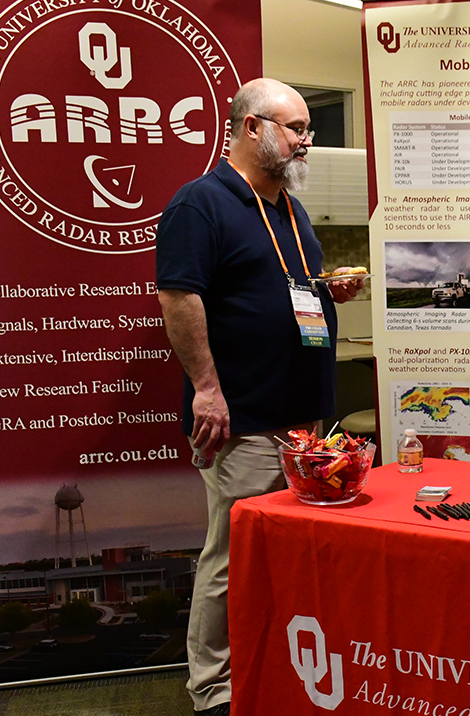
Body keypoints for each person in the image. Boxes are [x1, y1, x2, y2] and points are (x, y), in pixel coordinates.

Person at [155, 78, 361, 716]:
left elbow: (287, 291)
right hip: (242, 416)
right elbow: (179, 297)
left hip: (302, 415)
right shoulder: (201, 203)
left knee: (286, 548)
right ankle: (213, 688)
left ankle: (271, 661)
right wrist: (207, 390)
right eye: (295, 129)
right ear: (252, 128)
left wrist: (328, 288)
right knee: (232, 552)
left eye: (307, 130)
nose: (306, 141)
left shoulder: (290, 210)